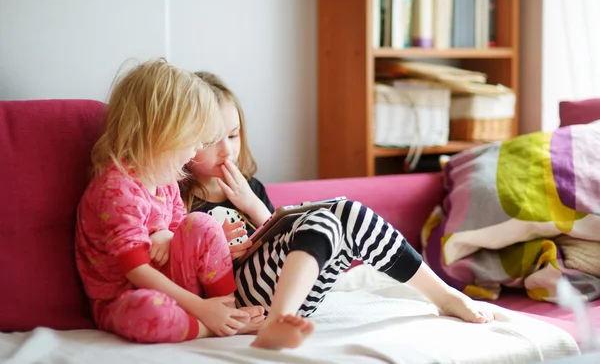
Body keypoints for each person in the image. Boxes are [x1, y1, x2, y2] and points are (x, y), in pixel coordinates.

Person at [180, 71, 494, 350]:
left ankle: (442, 295)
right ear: (185, 141)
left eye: (233, 135)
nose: (227, 150)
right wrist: (220, 251)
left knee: (344, 211)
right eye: (211, 141)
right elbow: (179, 269)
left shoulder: (251, 188)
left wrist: (252, 204)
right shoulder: (179, 198)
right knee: (329, 215)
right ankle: (276, 321)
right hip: (237, 301)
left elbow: (283, 241)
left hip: (293, 295)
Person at [74, 59, 264, 344]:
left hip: (174, 284)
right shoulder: (116, 190)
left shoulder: (166, 179)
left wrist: (173, 235)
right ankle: (214, 325)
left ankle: (229, 310)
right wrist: (201, 309)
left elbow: (183, 229)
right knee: (147, 312)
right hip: (126, 297)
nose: (199, 147)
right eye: (195, 138)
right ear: (160, 134)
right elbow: (136, 271)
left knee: (204, 223)